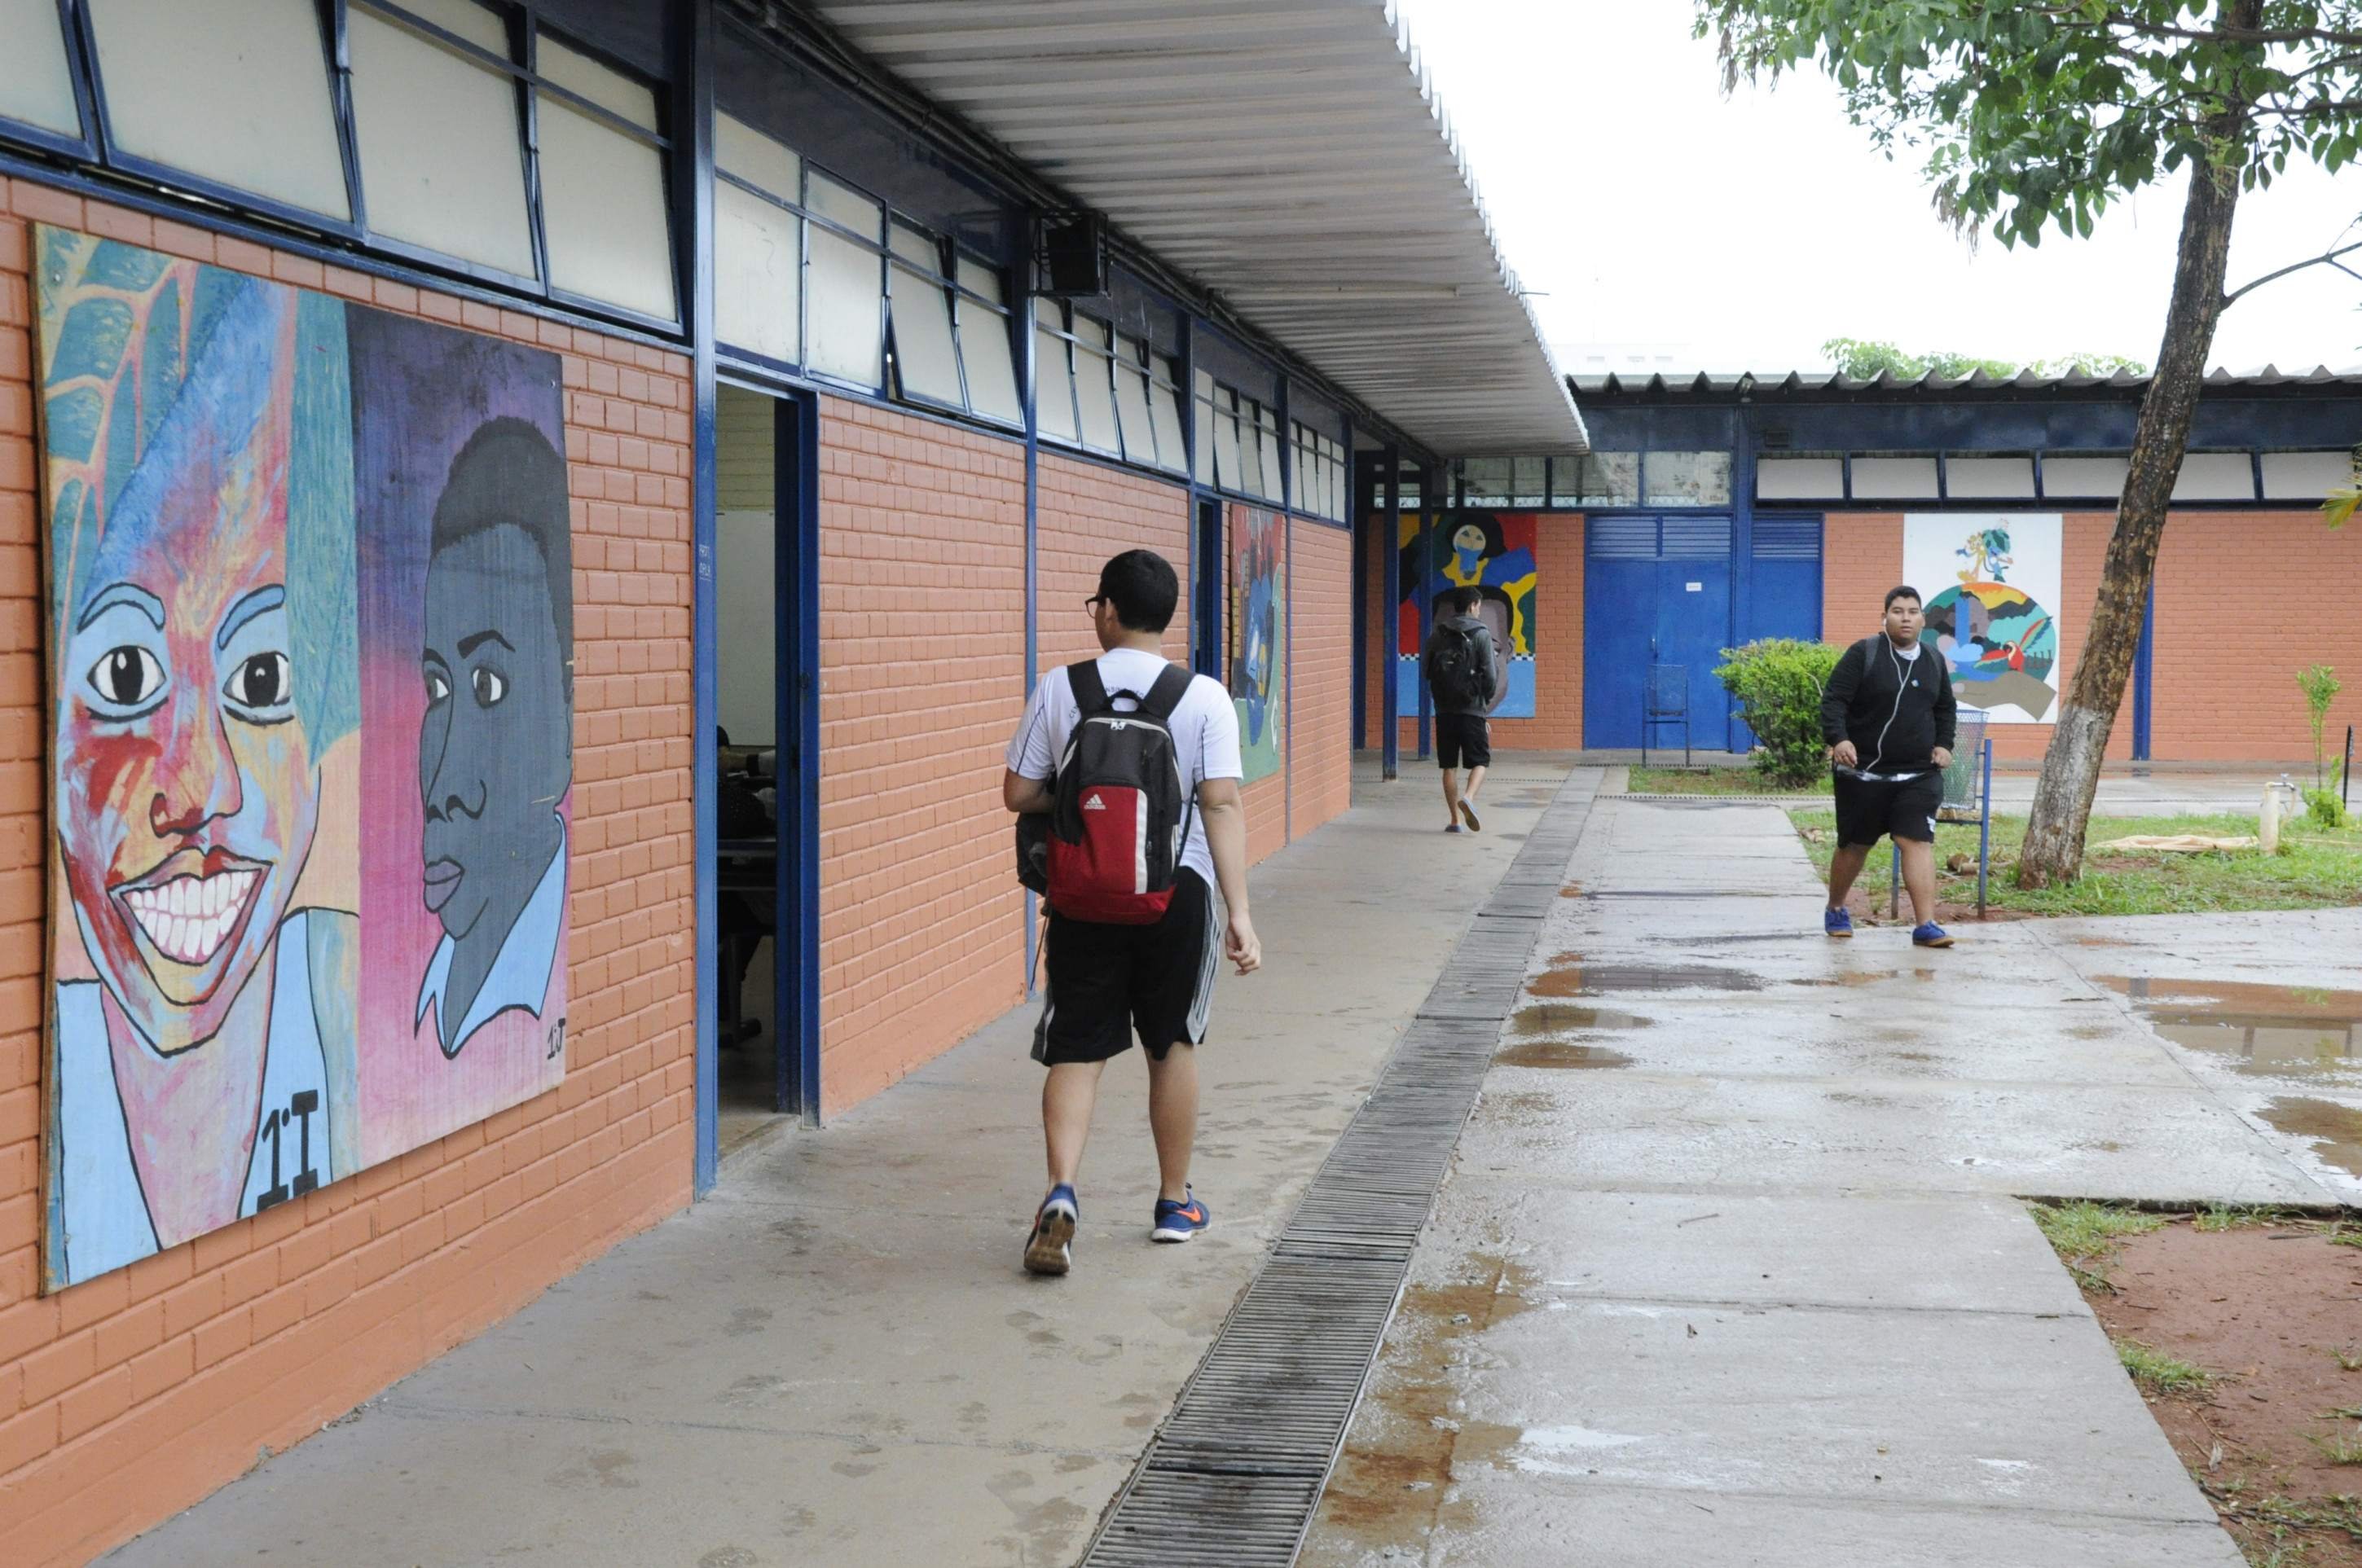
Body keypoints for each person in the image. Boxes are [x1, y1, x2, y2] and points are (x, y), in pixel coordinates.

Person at [47, 275, 361, 1287]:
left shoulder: (350, 1001)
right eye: (124, 677)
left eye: (263, 679)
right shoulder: (47, 1090)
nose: (201, 788)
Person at [1003, 549, 1261, 1276]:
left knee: (1076, 1048)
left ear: (1109, 610)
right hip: (1177, 892)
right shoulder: (1204, 696)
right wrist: (1238, 911)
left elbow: (1018, 794)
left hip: (1084, 891)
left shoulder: (1061, 687)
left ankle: (1061, 1191)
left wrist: (1086, 801)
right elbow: (1220, 802)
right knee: (1171, 1044)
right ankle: (1174, 1203)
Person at [414, 418, 574, 1058]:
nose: (445, 785)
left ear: (568, 717)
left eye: (489, 688)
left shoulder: (540, 1000)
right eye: (437, 690)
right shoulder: (425, 1001)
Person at [1819, 586, 1959, 947]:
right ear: (1885, 617)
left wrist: (1944, 744)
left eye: (1913, 611)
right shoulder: (1863, 654)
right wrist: (1839, 740)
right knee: (1855, 845)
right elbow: (1834, 699)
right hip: (1862, 775)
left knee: (1916, 840)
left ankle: (1926, 924)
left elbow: (1945, 708)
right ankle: (1836, 908)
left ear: (1923, 619)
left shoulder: (1932, 659)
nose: (1906, 617)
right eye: (1897, 611)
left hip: (1917, 775)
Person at [1423, 585, 1498, 832]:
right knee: (1480, 761)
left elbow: (1426, 670)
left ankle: (1455, 820)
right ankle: (1469, 797)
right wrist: (1483, 700)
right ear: (1473, 605)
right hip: (1472, 708)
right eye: (1479, 606)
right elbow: (1490, 675)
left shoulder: (1438, 633)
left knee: (1448, 765)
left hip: (1444, 710)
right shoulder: (1481, 633)